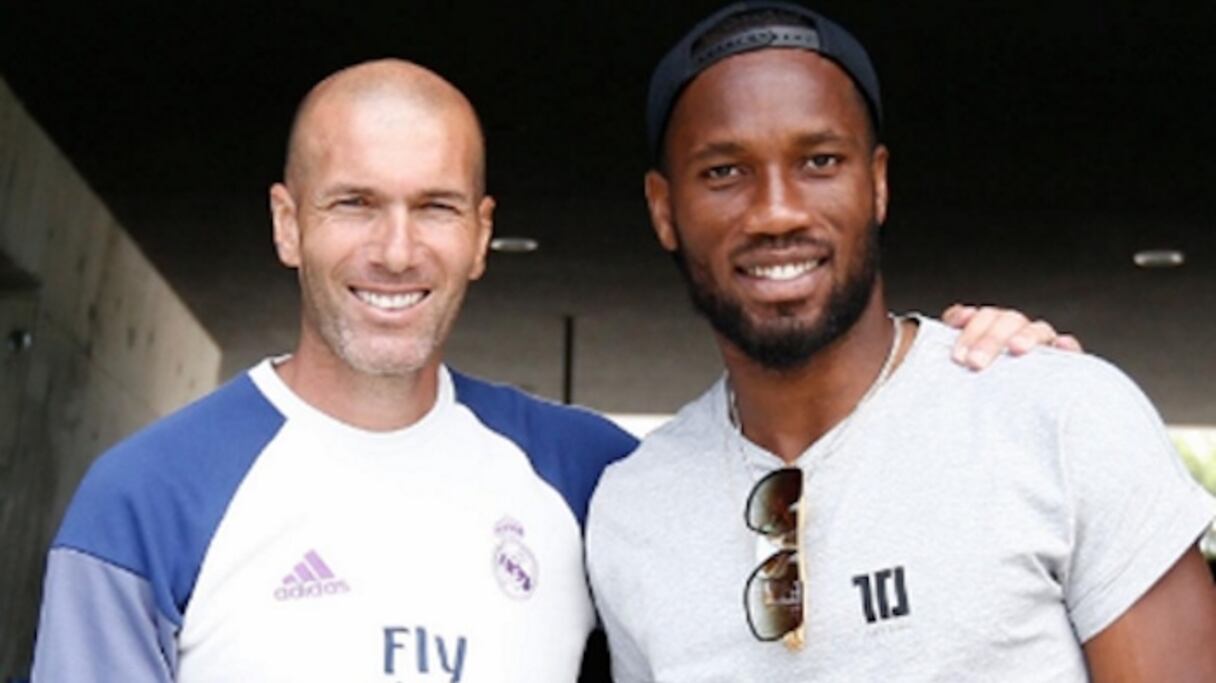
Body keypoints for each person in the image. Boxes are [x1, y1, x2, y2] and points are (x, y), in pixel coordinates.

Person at [30, 59, 1070, 682]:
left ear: (481, 235)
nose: (396, 249)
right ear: (287, 222)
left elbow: (834, 498)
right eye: (354, 203)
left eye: (436, 207)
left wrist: (978, 370)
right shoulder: (149, 497)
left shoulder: (594, 478)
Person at [585, 3, 1216, 682]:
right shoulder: (633, 508)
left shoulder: (1059, 419)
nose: (776, 212)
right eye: (724, 172)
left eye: (819, 161)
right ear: (663, 209)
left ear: (877, 183)